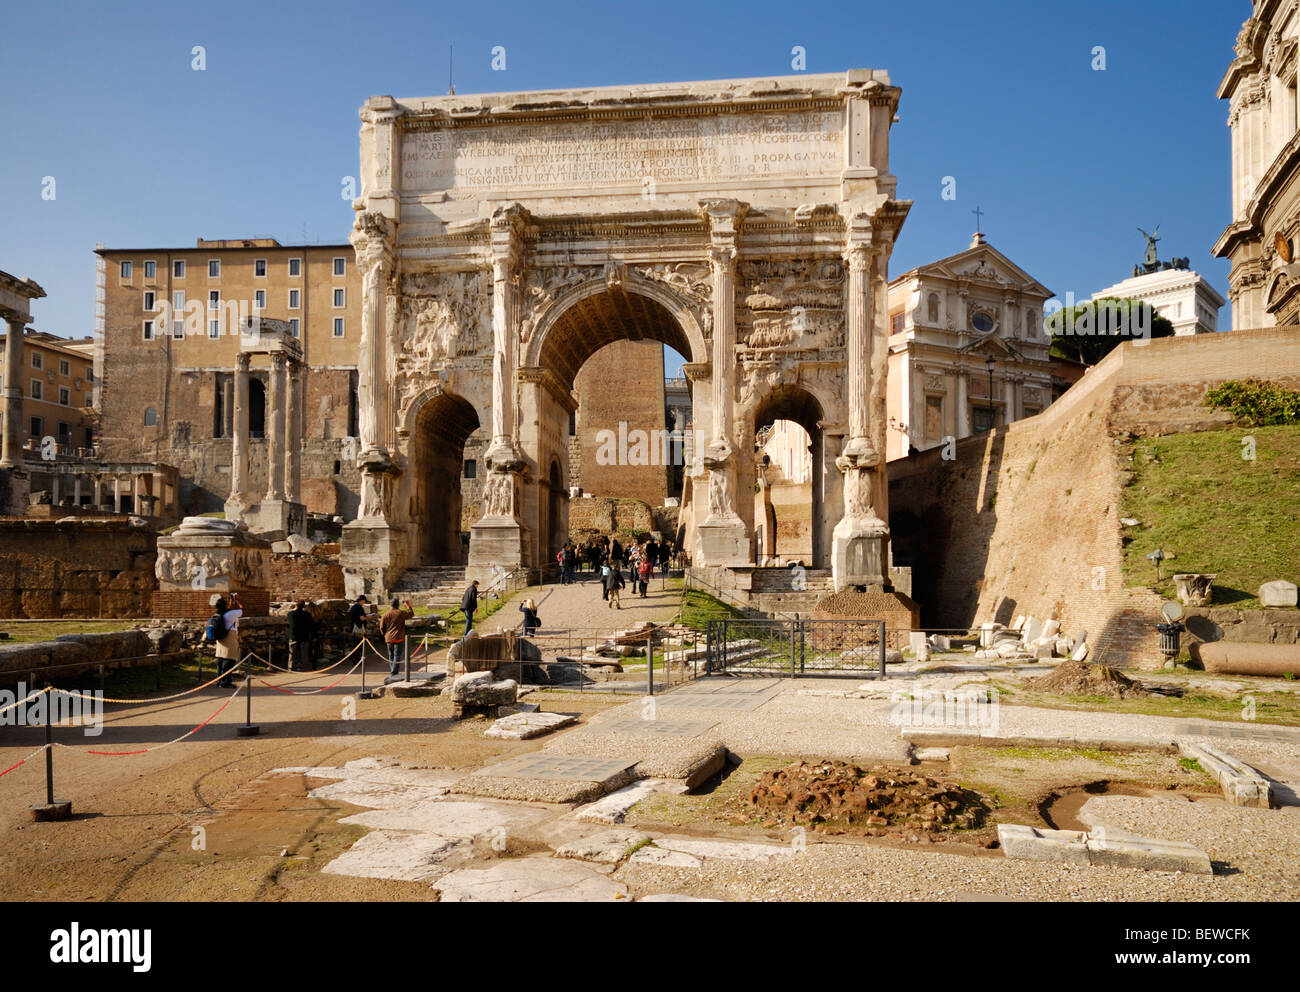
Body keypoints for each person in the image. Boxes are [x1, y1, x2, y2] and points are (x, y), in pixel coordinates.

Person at [212, 592, 244, 688]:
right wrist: (237, 601)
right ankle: (226, 682)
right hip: (229, 637)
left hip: (221, 638)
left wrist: (231, 600)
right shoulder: (231, 614)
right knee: (229, 661)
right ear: (226, 606)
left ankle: (219, 681)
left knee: (221, 660)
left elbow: (230, 609)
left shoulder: (219, 614)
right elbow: (242, 609)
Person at [380, 597, 415, 682]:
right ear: (398, 605)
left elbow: (381, 627)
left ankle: (393, 672)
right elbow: (411, 614)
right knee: (396, 656)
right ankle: (394, 673)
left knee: (391, 656)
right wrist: (408, 605)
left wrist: (384, 635)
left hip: (388, 638)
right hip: (398, 637)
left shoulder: (385, 614)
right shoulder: (400, 613)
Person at [287, 599, 317, 671]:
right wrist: (313, 636)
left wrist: (294, 608)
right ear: (304, 606)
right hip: (304, 636)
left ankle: (291, 667)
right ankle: (305, 667)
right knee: (304, 654)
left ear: (296, 605)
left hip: (294, 636)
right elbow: (312, 626)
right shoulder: (307, 614)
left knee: (292, 653)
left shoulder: (291, 614)